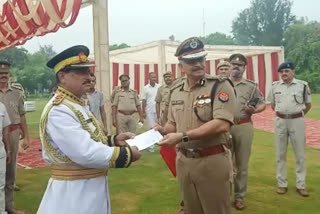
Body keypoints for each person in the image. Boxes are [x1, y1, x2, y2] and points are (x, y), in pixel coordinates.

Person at [37, 45, 141, 214]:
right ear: (62, 77)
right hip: (73, 193)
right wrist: (127, 155)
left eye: (88, 71)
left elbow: (88, 137)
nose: (88, 76)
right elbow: (84, 152)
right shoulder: (60, 110)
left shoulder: (77, 103)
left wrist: (113, 140)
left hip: (89, 187)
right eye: (80, 72)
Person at [156, 37, 236, 214]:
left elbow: (221, 124)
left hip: (212, 161)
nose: (198, 64)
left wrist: (183, 136)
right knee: (190, 210)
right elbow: (172, 124)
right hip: (184, 162)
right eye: (192, 61)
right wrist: (161, 131)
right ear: (181, 66)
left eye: (201, 59)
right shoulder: (176, 90)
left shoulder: (219, 86)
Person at [267, 62, 311, 197]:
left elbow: (308, 105)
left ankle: (301, 185)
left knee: (300, 155)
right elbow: (273, 104)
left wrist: (295, 114)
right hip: (280, 121)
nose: (284, 74)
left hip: (297, 121)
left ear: (293, 72)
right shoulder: (275, 86)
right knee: (280, 154)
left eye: (287, 71)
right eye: (282, 72)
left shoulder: (302, 85)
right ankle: (282, 184)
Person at [229, 53, 266, 210]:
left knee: (242, 164)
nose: (236, 67)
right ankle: (224, 195)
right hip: (224, 127)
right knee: (224, 164)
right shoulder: (221, 84)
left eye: (240, 65)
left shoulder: (251, 86)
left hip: (244, 126)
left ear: (244, 68)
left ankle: (239, 197)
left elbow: (263, 103)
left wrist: (255, 110)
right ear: (229, 66)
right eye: (234, 64)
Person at [0, 60, 29, 214]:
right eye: (0, 74)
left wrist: (26, 136)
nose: (3, 77)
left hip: (13, 132)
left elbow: (22, 115)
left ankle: (9, 207)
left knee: (11, 170)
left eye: (5, 74)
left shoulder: (17, 92)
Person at [0, 102, 11, 214]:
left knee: (0, 185)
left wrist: (8, 149)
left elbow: (6, 131)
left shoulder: (2, 106)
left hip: (0, 153)